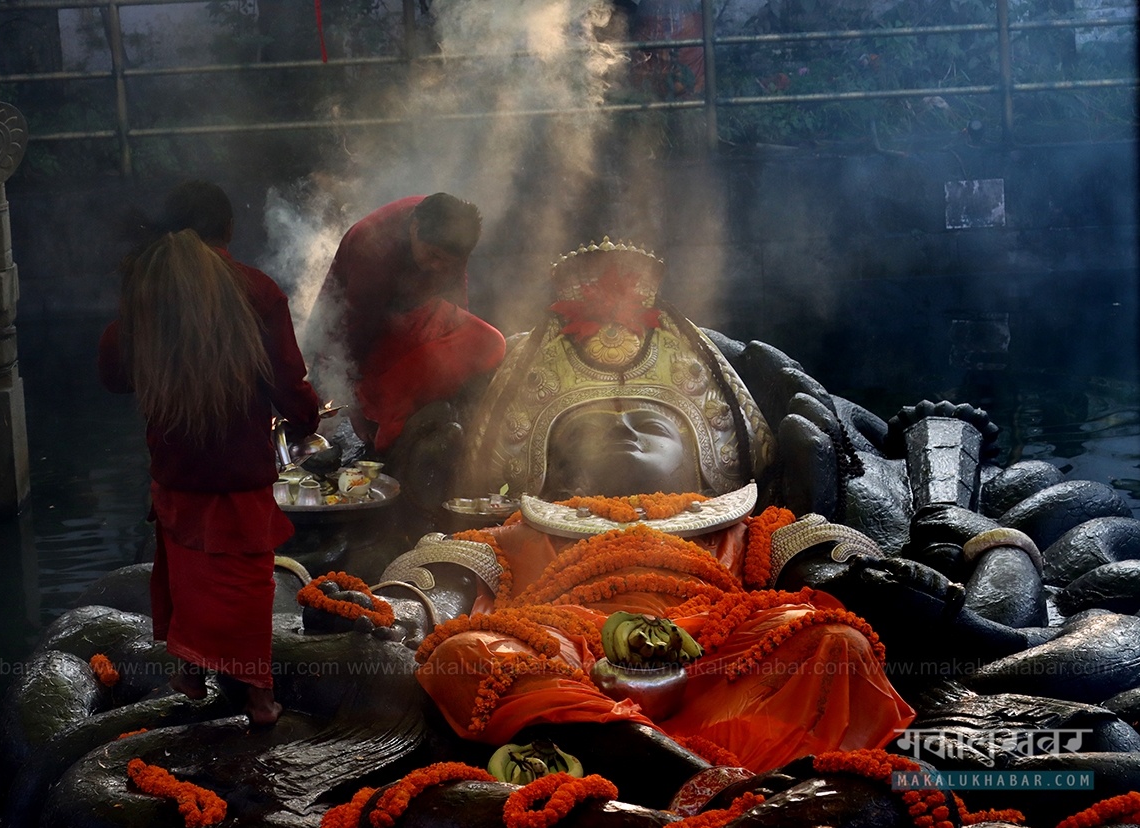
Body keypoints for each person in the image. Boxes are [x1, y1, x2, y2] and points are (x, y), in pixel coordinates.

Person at [394, 239, 916, 773]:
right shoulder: (518, 531)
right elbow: (440, 585)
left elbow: (822, 566)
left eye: (648, 425)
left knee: (834, 639)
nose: (620, 429)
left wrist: (871, 579)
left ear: (697, 455)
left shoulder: (741, 525)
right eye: (591, 429)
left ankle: (666, 762)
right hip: (567, 659)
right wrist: (397, 608)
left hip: (717, 658)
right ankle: (656, 761)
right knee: (466, 654)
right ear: (555, 468)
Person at [97, 182, 323, 726]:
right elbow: (288, 380)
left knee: (188, 569)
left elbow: (113, 373)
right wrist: (307, 420)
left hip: (176, 472)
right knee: (247, 583)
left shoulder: (148, 291)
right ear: (228, 232)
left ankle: (192, 671)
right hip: (238, 474)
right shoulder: (257, 290)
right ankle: (258, 698)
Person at [319, 193, 507, 453]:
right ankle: (381, 411)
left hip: (414, 315)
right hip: (361, 327)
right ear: (415, 228)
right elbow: (355, 328)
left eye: (445, 261)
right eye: (432, 255)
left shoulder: (456, 235)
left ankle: (409, 403)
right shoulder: (372, 245)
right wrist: (354, 402)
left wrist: (454, 347)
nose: (436, 266)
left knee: (490, 342)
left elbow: (455, 295)